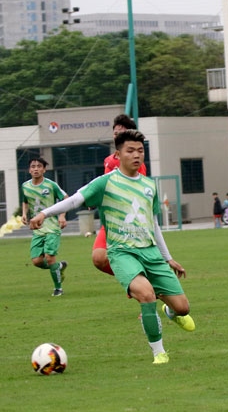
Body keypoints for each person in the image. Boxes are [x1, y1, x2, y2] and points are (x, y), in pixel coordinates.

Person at [29, 129, 195, 365]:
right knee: (146, 295)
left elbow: (154, 224)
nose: (136, 155)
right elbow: (75, 199)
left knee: (183, 308)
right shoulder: (106, 183)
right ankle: (159, 352)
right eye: (130, 150)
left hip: (150, 253)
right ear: (118, 154)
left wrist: (168, 257)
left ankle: (170, 312)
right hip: (121, 252)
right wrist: (45, 213)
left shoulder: (149, 185)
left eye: (140, 151)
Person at [93, 114, 147, 276]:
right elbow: (105, 186)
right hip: (111, 219)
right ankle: (138, 279)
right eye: (115, 132)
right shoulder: (108, 161)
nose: (117, 135)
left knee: (140, 260)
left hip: (131, 221)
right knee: (99, 258)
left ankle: (147, 284)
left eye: (122, 132)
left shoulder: (137, 163)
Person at [20, 157, 68, 296]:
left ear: (44, 169)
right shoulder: (25, 186)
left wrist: (62, 216)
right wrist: (24, 214)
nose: (36, 168)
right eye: (33, 166)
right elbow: (25, 201)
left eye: (39, 166)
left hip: (52, 226)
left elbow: (66, 199)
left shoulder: (51, 185)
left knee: (49, 257)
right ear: (29, 170)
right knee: (36, 261)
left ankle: (58, 288)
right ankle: (58, 267)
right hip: (37, 228)